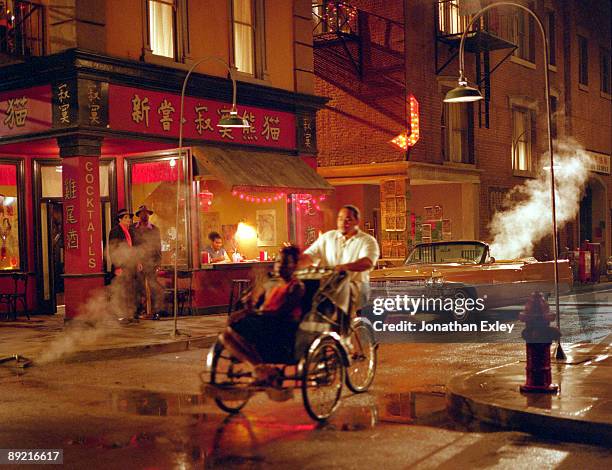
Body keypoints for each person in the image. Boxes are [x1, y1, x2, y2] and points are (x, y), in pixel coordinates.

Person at [220, 245, 305, 385]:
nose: (279, 266)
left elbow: (281, 312)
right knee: (226, 335)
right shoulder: (273, 285)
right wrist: (248, 305)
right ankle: (260, 368)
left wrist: (253, 312)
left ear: (294, 265)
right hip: (265, 321)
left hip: (282, 327)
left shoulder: (297, 287)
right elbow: (259, 305)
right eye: (278, 262)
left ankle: (260, 369)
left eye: (285, 262)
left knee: (235, 327)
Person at [300, 205, 379, 311]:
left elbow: (367, 262)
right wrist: (297, 264)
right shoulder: (328, 237)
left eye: (348, 219)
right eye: (340, 219)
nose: (343, 223)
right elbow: (309, 256)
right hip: (329, 286)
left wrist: (343, 267)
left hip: (355, 287)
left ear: (357, 221)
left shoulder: (367, 240)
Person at [132, 205, 163, 318]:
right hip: (138, 262)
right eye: (142, 213)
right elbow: (132, 246)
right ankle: (140, 311)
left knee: (153, 287)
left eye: (146, 213)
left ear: (149, 215)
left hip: (151, 262)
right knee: (138, 288)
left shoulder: (155, 229)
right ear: (139, 215)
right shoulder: (133, 228)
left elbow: (158, 247)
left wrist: (158, 263)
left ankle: (155, 312)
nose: (144, 215)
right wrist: (136, 261)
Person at [108, 208, 138, 320]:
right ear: (120, 219)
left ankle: (129, 313)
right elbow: (113, 250)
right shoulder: (115, 231)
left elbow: (134, 248)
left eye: (129, 217)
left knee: (129, 290)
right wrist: (117, 266)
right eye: (125, 217)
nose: (128, 220)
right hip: (121, 265)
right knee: (119, 290)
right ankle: (117, 314)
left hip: (130, 265)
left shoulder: (130, 231)